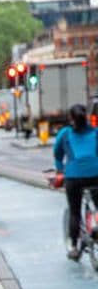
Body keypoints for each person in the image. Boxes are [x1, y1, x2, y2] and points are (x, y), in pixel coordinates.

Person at [54, 103, 98, 260]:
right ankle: (95, 223)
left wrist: (60, 170)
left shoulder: (65, 134)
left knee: (74, 211)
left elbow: (57, 153)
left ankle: (73, 245)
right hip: (96, 175)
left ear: (71, 119)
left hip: (74, 176)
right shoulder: (96, 132)